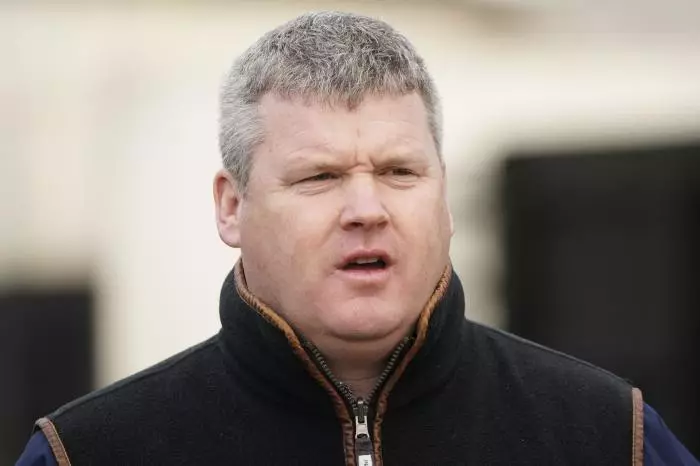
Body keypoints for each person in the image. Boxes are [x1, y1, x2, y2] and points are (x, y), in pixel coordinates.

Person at [16, 11, 698, 466]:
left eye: (400, 172)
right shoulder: (88, 452)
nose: (367, 209)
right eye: (319, 177)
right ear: (231, 206)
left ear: (444, 196)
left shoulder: (609, 435)